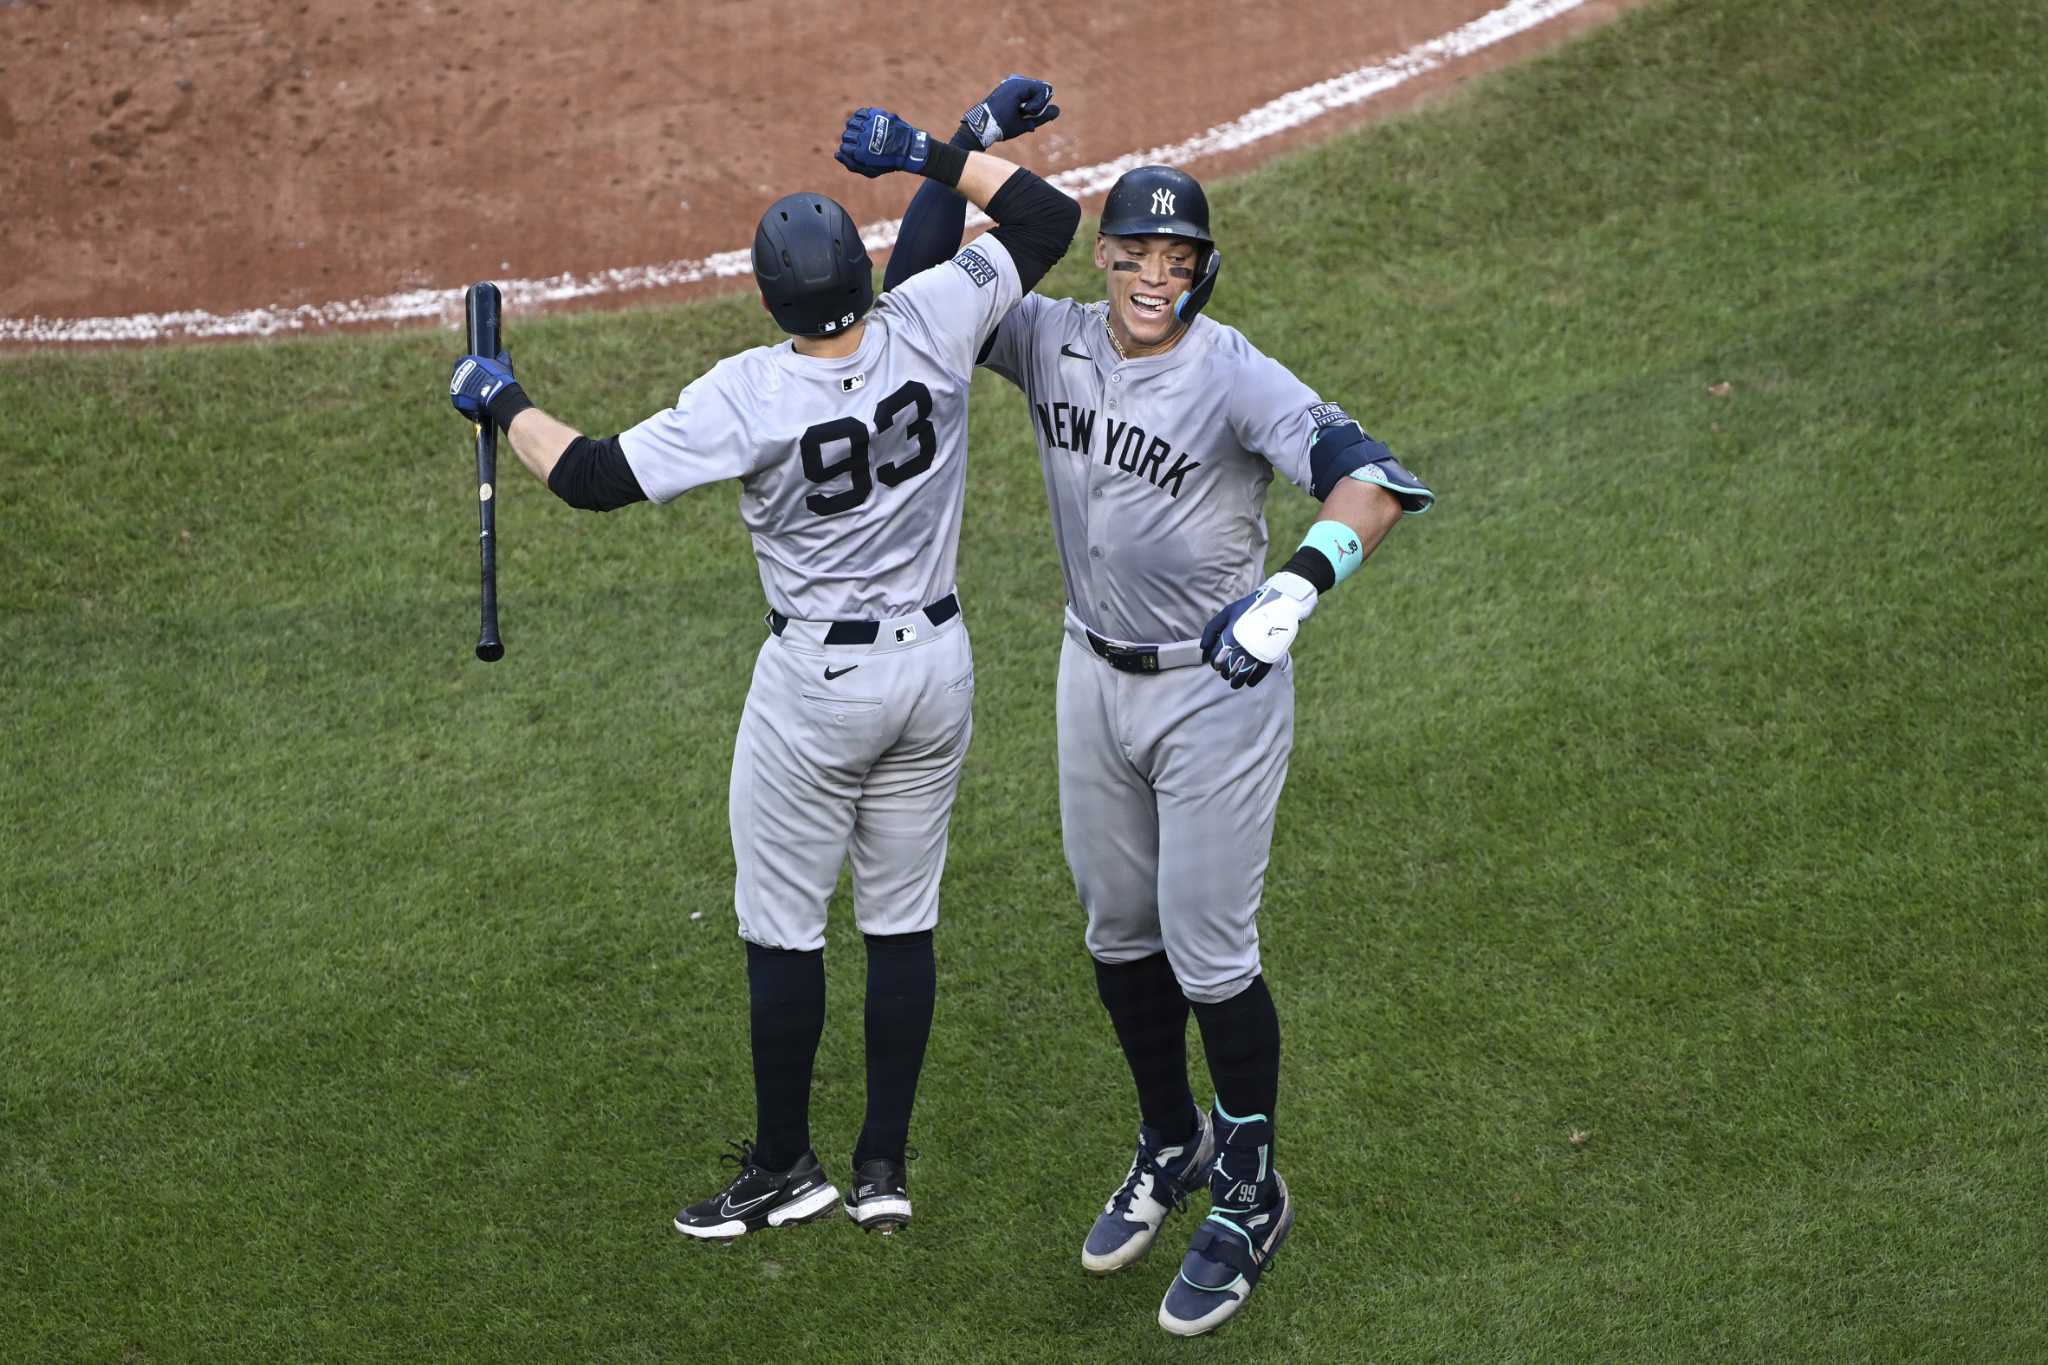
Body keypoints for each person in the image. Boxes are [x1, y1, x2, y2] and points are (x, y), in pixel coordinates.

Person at [447, 95, 1079, 1242]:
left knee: (783, 929)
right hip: (936, 670)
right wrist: (950, 142)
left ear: (769, 295)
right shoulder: (931, 320)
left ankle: (787, 1167)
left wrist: (502, 401)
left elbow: (589, 477)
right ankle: (881, 1163)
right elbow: (1041, 220)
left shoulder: (746, 394)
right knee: (900, 922)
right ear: (861, 270)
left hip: (817, 694)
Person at [883, 90, 1434, 1333]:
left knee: (1208, 949)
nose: (1150, 275)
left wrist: (1293, 589)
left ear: (1201, 268)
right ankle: (1169, 1141)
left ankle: (1248, 1190)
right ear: (1104, 258)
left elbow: (1374, 480)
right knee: (1117, 935)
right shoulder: (1048, 336)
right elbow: (916, 288)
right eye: (1131, 253)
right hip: (1091, 673)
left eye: (1173, 258)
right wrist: (959, 149)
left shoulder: (1231, 372)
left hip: (1213, 692)